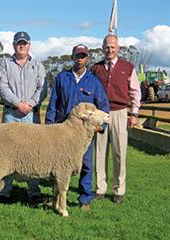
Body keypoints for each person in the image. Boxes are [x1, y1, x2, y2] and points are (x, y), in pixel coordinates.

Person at [45, 44, 109, 210]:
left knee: (85, 164)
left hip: (83, 133)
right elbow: (54, 103)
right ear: (72, 57)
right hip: (60, 131)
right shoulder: (62, 78)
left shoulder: (94, 82)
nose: (80, 58)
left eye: (83, 56)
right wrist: (48, 127)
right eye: (77, 55)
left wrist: (99, 127)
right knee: (56, 164)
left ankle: (85, 199)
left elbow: (103, 107)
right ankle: (56, 197)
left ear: (87, 58)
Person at [0, 31, 47, 202]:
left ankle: (33, 190)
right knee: (7, 152)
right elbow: (2, 87)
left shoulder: (38, 66)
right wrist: (18, 103)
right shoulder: (5, 64)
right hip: (11, 113)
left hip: (31, 115)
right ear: (13, 45)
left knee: (34, 152)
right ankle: (4, 190)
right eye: (19, 43)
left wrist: (30, 104)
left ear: (29, 45)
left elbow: (43, 89)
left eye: (24, 43)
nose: (22, 45)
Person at [91, 34, 141, 204]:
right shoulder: (96, 68)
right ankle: (100, 188)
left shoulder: (128, 67)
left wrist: (134, 114)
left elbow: (135, 91)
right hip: (100, 114)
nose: (109, 50)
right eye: (106, 46)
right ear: (102, 48)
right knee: (100, 153)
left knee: (119, 153)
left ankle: (119, 190)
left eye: (112, 46)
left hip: (120, 112)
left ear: (118, 48)